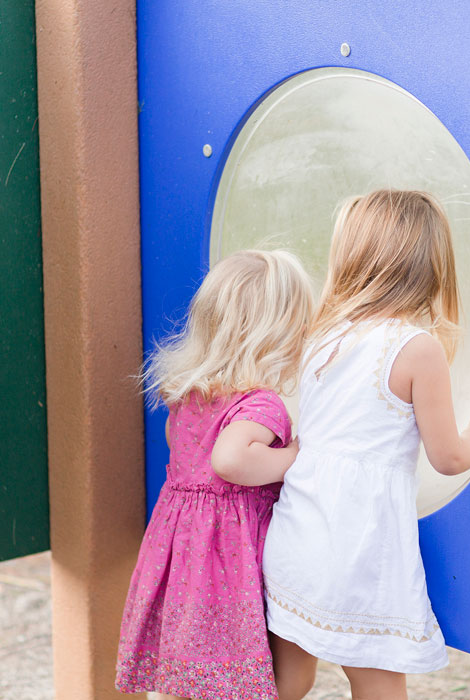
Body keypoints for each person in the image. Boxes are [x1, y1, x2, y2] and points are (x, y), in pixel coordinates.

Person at [261, 190, 470, 700]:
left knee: (288, 681)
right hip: (360, 551)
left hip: (297, 537)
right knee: (376, 687)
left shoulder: (322, 335)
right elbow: (449, 458)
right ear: (433, 266)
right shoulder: (416, 348)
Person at [116, 249, 314, 700]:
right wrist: (294, 457)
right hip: (228, 555)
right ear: (283, 335)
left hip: (184, 549)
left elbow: (184, 452)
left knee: (192, 662)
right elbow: (228, 460)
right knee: (279, 677)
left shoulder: (191, 396)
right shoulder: (260, 405)